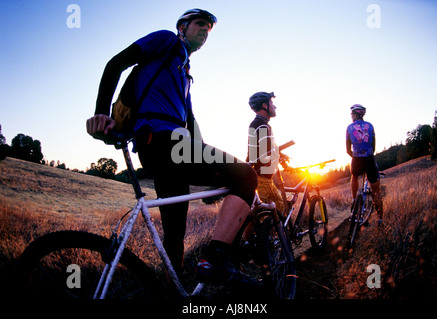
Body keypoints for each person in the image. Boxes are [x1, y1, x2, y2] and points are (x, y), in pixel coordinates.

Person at [86, 9, 258, 286]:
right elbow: (115, 64)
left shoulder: (184, 73)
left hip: (168, 149)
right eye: (200, 24)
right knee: (246, 175)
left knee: (175, 231)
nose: (205, 31)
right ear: (182, 27)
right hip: (163, 142)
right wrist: (101, 113)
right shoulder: (166, 41)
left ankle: (170, 289)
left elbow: (190, 123)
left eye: (209, 29)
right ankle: (215, 261)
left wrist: (206, 159)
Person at [246, 92, 287, 214]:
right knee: (277, 211)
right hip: (263, 179)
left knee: (260, 215)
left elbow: (263, 149)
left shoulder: (259, 124)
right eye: (272, 103)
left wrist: (281, 156)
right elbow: (265, 152)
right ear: (264, 105)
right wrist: (279, 157)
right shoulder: (262, 125)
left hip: (261, 176)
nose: (275, 107)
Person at [346, 104, 383, 222]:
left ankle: (353, 199)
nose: (351, 116)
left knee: (354, 176)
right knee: (376, 192)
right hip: (369, 159)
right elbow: (373, 147)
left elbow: (347, 150)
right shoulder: (370, 126)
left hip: (357, 159)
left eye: (352, 114)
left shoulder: (349, 128)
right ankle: (380, 219)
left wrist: (356, 156)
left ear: (355, 115)